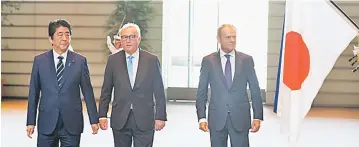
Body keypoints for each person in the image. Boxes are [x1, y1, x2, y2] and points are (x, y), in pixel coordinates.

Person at [26, 19, 99, 147]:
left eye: (67, 34)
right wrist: (30, 121)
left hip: (71, 122)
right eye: (60, 35)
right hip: (47, 122)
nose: (65, 38)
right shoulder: (39, 61)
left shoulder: (80, 61)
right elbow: (33, 93)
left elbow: (88, 92)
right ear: (51, 39)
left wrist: (94, 120)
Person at [98, 22, 167, 147]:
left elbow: (159, 91)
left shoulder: (151, 60)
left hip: (144, 117)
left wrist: (160, 116)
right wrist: (102, 114)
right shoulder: (113, 60)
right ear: (121, 40)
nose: (128, 40)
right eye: (124, 37)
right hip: (120, 118)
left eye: (132, 37)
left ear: (139, 39)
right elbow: (106, 90)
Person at [195, 24, 263, 147]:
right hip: (217, 118)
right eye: (228, 37)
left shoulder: (246, 60)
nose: (232, 40)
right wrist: (201, 117)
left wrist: (257, 116)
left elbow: (255, 89)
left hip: (240, 117)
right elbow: (202, 91)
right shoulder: (208, 61)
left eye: (234, 37)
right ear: (218, 39)